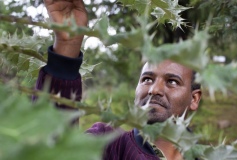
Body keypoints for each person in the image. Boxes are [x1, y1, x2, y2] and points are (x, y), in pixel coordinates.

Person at [36, 0, 202, 159]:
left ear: (194, 98)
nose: (154, 90)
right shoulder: (107, 145)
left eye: (172, 82)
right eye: (147, 79)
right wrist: (67, 46)